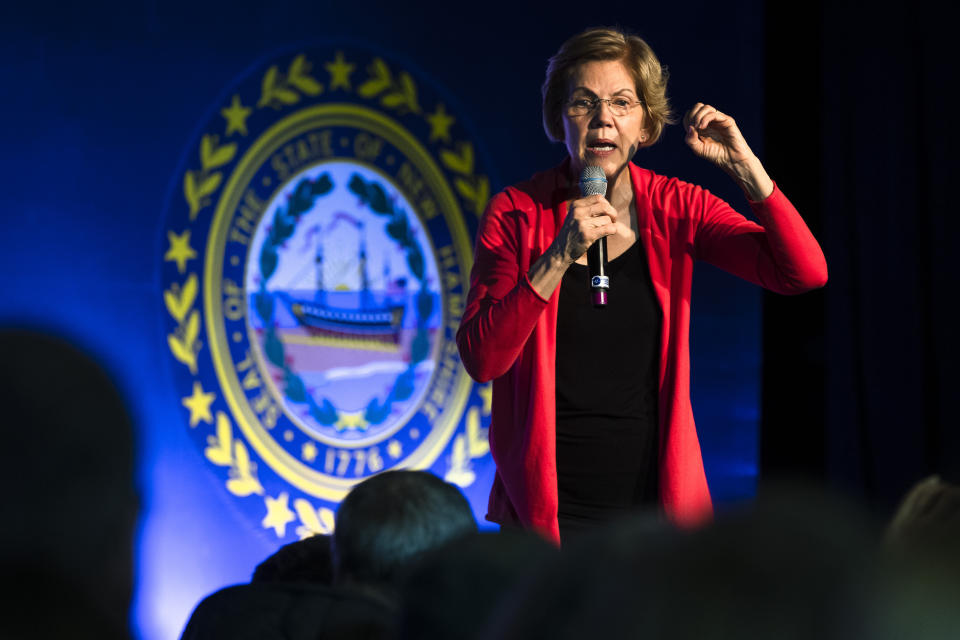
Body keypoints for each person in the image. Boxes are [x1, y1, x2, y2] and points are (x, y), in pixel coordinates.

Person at [456, 27, 827, 545]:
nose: (603, 117)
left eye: (621, 102)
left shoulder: (678, 208)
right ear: (559, 118)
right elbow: (483, 358)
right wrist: (559, 254)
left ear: (646, 125)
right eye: (584, 102)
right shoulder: (518, 214)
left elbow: (803, 272)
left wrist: (747, 168)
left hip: (654, 524)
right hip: (547, 521)